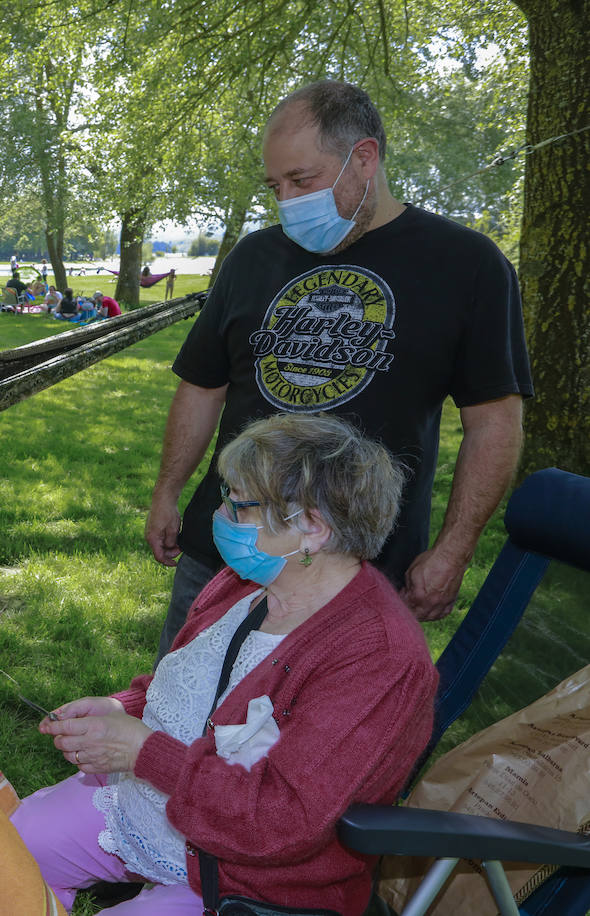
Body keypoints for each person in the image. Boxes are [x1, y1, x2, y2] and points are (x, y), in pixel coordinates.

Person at [144, 79, 532, 661]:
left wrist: (454, 551)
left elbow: (494, 422)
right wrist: (168, 490)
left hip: (358, 572)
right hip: (228, 549)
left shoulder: (467, 265)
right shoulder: (254, 257)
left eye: (303, 180)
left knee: (317, 741)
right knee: (178, 710)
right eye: (276, 186)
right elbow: (203, 386)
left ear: (365, 157)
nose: (288, 201)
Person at [15, 413, 438, 915]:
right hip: (150, 803)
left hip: (250, 874)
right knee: (2, 850)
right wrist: (120, 706)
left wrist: (144, 752)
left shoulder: (378, 659)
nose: (219, 515)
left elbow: (284, 822)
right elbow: (191, 685)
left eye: (238, 505)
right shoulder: (250, 581)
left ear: (312, 527)